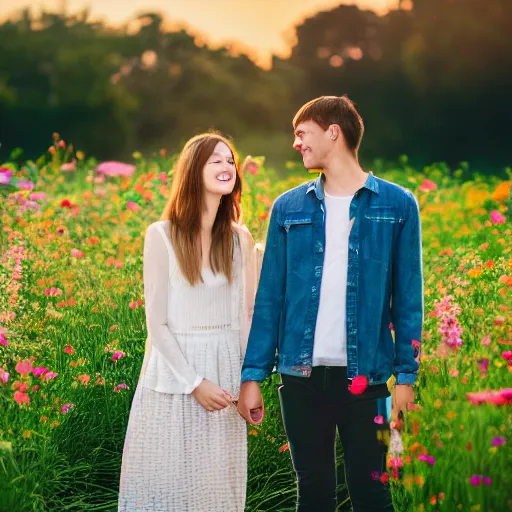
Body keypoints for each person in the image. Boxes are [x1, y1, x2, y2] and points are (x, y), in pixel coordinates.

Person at [237, 95, 423, 512]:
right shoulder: (289, 207)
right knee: (314, 492)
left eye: (302, 133)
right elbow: (270, 299)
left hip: (368, 381)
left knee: (372, 493)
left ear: (333, 132)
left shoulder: (397, 206)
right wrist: (253, 375)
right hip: (302, 378)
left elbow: (409, 300)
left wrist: (406, 380)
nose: (296, 143)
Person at [118, 132, 258, 512]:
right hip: (175, 378)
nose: (226, 166)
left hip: (226, 371)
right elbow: (157, 324)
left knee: (216, 492)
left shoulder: (239, 239)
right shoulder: (161, 235)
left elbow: (247, 314)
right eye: (215, 160)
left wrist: (250, 382)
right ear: (193, 171)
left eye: (230, 160)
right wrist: (195, 383)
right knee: (166, 488)